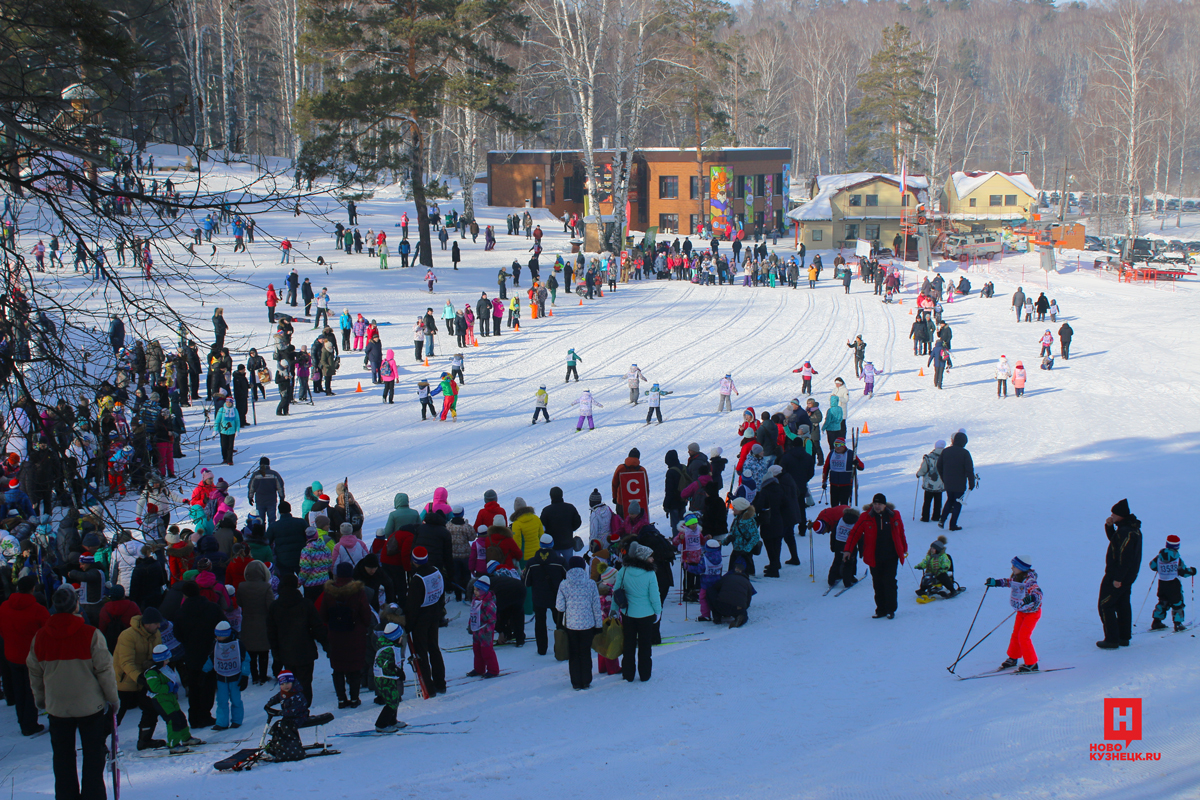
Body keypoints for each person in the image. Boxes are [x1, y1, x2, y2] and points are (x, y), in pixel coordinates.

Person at [28, 587, 121, 798]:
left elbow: (34, 671)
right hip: (90, 705)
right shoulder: (90, 634)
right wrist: (113, 699)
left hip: (58, 706)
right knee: (93, 756)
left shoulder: (41, 636)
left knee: (62, 758)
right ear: (75, 606)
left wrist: (41, 699)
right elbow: (104, 670)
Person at [843, 493, 907, 619]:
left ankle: (890, 609)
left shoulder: (894, 515)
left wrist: (904, 548)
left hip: (891, 556)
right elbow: (854, 533)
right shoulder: (866, 516)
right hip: (874, 557)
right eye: (875, 504)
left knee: (889, 582)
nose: (877, 506)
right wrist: (848, 550)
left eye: (880, 504)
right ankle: (881, 609)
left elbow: (900, 532)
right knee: (877, 583)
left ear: (885, 504)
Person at [0, 575, 50, 736]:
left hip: (12, 654)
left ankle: (23, 721)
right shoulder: (38, 610)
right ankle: (29, 724)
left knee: (19, 688)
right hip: (31, 656)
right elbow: (48, 633)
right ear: (32, 589)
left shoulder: (4, 607)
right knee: (31, 690)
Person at [612, 541, 662, 682]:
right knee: (645, 646)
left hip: (628, 613)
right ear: (643, 558)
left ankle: (628, 674)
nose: (652, 559)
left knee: (629, 644)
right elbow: (654, 595)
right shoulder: (650, 574)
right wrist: (658, 611)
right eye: (650, 557)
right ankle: (645, 674)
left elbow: (616, 591)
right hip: (646, 615)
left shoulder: (624, 570)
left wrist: (614, 609)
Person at [1097, 499, 1142, 649]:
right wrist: (1109, 527)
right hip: (1127, 576)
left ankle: (1112, 639)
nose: (1112, 516)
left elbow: (1125, 559)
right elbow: (1116, 543)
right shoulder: (1129, 529)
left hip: (1117, 576)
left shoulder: (1126, 532)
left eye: (1114, 514)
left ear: (1121, 515)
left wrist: (1118, 578)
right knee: (1122, 603)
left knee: (1105, 604)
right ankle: (1123, 636)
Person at [143, 644, 204, 753]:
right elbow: (155, 687)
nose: (168, 661)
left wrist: (173, 687)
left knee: (181, 717)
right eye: (166, 659)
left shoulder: (165, 669)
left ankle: (186, 738)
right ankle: (173, 744)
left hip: (170, 698)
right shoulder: (152, 672)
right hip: (161, 700)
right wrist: (168, 687)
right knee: (173, 720)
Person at [987, 555, 1042, 672]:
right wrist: (995, 582)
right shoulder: (1017, 577)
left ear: (1021, 567)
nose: (1011, 568)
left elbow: (1038, 593)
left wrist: (1032, 597)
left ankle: (1032, 663)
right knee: (1016, 634)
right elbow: (1008, 582)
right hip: (1021, 612)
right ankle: (1013, 658)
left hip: (1032, 613)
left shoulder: (1029, 580)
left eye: (1014, 566)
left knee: (1024, 637)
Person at [555, 556, 603, 689]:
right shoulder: (591, 584)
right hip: (588, 625)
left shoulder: (564, 584)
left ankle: (576, 682)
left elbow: (559, 607)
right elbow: (596, 607)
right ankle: (586, 680)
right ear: (583, 567)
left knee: (574, 653)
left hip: (571, 625)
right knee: (585, 652)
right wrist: (598, 626)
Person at [406, 547, 447, 695]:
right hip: (434, 615)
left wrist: (408, 625)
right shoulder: (436, 571)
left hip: (421, 620)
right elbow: (441, 593)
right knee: (434, 648)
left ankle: (428, 687)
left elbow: (413, 605)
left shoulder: (417, 578)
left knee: (422, 653)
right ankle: (440, 683)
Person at [524, 536, 567, 656]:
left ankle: (542, 649)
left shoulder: (531, 562)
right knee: (559, 623)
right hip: (556, 597)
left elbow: (527, 582)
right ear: (552, 545)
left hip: (539, 598)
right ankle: (562, 647)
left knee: (540, 623)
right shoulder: (560, 561)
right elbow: (568, 577)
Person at [203, 620, 250, 729]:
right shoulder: (216, 645)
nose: (217, 638)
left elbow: (245, 660)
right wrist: (204, 672)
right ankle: (221, 723)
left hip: (235, 678)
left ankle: (237, 720)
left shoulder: (238, 645)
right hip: (221, 678)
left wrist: (245, 676)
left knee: (236, 700)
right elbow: (211, 659)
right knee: (221, 701)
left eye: (220, 636)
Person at [1149, 535, 1197, 632]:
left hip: (1162, 583)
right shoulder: (1176, 558)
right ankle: (1178, 624)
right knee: (1177, 603)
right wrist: (1191, 571)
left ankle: (1156, 621)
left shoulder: (1159, 556)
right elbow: (1183, 572)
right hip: (1173, 584)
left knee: (1163, 602)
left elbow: (1152, 566)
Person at [810, 504, 859, 588]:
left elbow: (834, 534)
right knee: (848, 560)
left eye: (823, 532)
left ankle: (839, 577)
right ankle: (847, 578)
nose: (824, 533)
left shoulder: (840, 519)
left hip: (843, 540)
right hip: (847, 542)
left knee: (839, 559)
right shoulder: (822, 516)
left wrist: (834, 546)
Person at [372, 623, 407, 732]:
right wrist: (396, 670)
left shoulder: (393, 646)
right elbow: (383, 662)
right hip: (383, 679)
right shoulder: (387, 649)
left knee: (395, 698)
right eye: (400, 637)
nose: (402, 639)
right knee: (391, 701)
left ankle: (392, 720)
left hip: (390, 677)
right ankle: (381, 725)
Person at [936, 431, 974, 531]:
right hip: (960, 483)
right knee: (957, 503)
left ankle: (942, 520)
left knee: (949, 500)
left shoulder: (946, 451)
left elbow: (939, 466)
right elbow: (969, 470)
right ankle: (953, 525)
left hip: (948, 482)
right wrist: (971, 483)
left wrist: (944, 478)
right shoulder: (965, 453)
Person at [706, 559, 756, 627]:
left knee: (710, 590)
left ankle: (717, 617)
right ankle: (741, 617)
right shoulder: (747, 583)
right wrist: (743, 608)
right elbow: (748, 599)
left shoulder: (727, 577)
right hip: (737, 608)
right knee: (743, 613)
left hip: (722, 606)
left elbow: (714, 588)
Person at [467, 575, 499, 678]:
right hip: (476, 629)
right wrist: (470, 624)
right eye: (474, 590)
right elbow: (472, 613)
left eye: (477, 590)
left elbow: (492, 618)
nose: (475, 592)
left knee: (487, 651)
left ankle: (493, 670)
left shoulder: (489, 603)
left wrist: (480, 617)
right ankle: (479, 669)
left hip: (485, 630)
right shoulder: (475, 600)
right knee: (476, 650)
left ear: (484, 590)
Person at [821, 437, 863, 507]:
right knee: (834, 505)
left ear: (843, 445)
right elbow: (826, 467)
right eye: (835, 445)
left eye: (839, 445)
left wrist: (857, 463)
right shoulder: (832, 453)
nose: (837, 447)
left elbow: (862, 466)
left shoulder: (850, 454)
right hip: (834, 484)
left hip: (846, 484)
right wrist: (824, 480)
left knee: (844, 505)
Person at [915, 536, 958, 600]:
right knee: (925, 578)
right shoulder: (929, 556)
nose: (932, 550)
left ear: (938, 550)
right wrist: (920, 566)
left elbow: (946, 562)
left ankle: (952, 590)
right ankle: (922, 589)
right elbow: (925, 562)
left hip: (940, 572)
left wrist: (944, 567)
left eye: (933, 549)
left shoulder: (943, 556)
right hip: (931, 572)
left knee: (944, 578)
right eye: (931, 548)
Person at [248, 457, 286, 528]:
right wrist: (282, 497)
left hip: (260, 501)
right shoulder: (274, 474)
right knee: (272, 520)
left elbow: (251, 487)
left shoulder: (256, 475)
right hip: (271, 501)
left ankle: (261, 535)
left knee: (260, 520)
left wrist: (250, 497)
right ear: (268, 464)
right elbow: (280, 487)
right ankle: (271, 535)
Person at [916, 440, 945, 522]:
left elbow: (924, 469)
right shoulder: (946, 457)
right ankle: (936, 516)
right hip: (940, 484)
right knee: (938, 501)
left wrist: (919, 474)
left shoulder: (929, 457)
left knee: (927, 501)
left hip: (929, 483)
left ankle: (925, 517)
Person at [214, 396, 240, 465]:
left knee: (230, 446)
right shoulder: (221, 410)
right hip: (223, 431)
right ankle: (225, 458)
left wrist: (237, 430)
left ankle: (230, 460)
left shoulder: (234, 410)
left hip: (232, 431)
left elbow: (237, 421)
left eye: (230, 403)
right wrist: (215, 429)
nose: (228, 404)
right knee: (224, 445)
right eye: (227, 402)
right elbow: (217, 420)